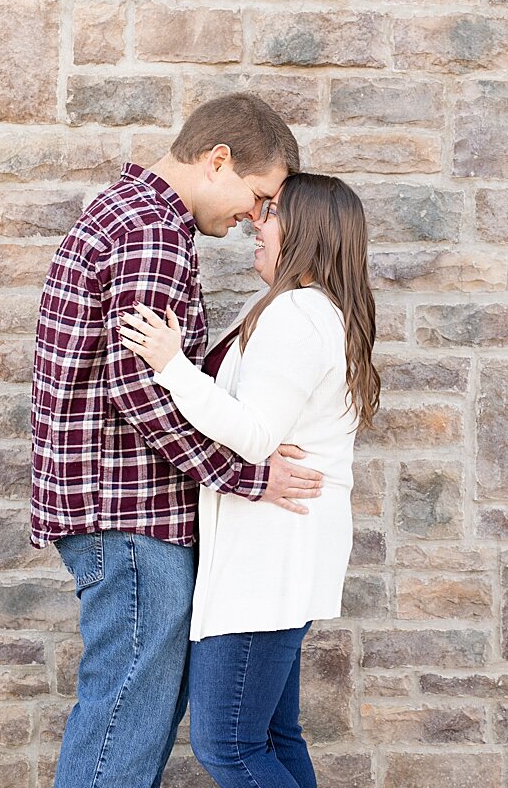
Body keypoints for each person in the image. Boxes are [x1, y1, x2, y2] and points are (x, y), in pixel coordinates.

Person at [30, 93, 324, 788]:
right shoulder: (151, 233)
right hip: (130, 517)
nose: (256, 217)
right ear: (217, 160)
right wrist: (248, 477)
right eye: (257, 196)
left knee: (127, 725)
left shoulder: (127, 213)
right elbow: (142, 391)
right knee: (122, 736)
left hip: (118, 515)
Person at [119, 172, 379, 788]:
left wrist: (170, 365)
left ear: (304, 231)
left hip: (269, 560)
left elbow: (256, 434)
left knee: (228, 745)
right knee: (270, 735)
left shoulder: (296, 314)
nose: (254, 225)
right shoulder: (295, 309)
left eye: (270, 214)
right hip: (278, 556)